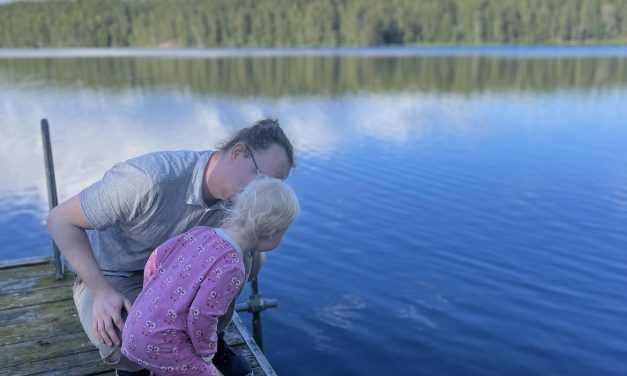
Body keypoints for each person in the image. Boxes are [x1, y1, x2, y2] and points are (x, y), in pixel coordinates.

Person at [46, 119, 295, 376]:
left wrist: (255, 245)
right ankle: (137, 368)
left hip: (171, 275)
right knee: (126, 343)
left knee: (238, 258)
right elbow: (60, 220)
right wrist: (100, 291)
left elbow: (249, 271)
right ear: (238, 152)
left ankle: (208, 344)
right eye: (263, 179)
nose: (264, 191)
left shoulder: (241, 203)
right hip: (111, 275)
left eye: (274, 187)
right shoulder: (149, 179)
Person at [121, 176, 300, 375]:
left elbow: (155, 259)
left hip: (133, 330)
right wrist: (206, 352)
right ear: (272, 233)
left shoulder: (200, 233)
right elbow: (201, 315)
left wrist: (151, 296)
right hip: (163, 343)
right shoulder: (233, 267)